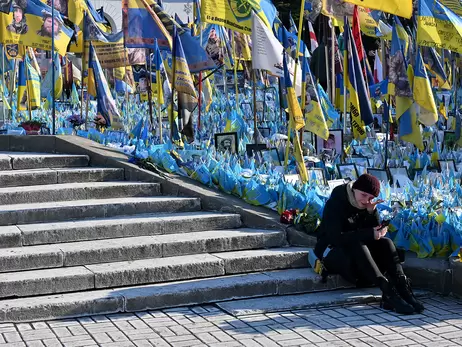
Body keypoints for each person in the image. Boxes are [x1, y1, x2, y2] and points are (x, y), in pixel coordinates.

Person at [314, 174, 424, 315]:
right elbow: (336, 238)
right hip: (332, 252)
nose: (366, 200)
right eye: (363, 195)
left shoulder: (367, 205)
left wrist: (372, 213)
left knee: (386, 243)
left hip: (358, 255)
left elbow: (372, 234)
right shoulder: (336, 203)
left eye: (371, 198)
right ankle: (388, 291)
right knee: (357, 245)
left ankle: (403, 287)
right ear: (354, 189)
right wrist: (369, 233)